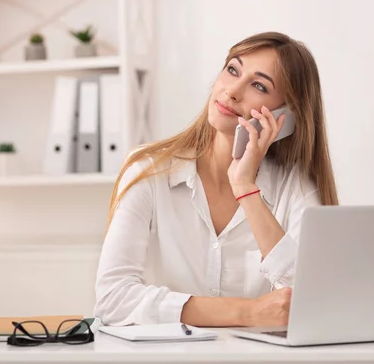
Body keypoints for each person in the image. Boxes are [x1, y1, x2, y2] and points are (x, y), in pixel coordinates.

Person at [94, 32, 338, 327]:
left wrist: (246, 190)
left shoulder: (294, 188)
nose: (232, 91)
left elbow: (315, 300)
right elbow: (112, 299)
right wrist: (246, 312)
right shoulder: (148, 170)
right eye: (232, 69)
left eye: (259, 86)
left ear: (284, 117)